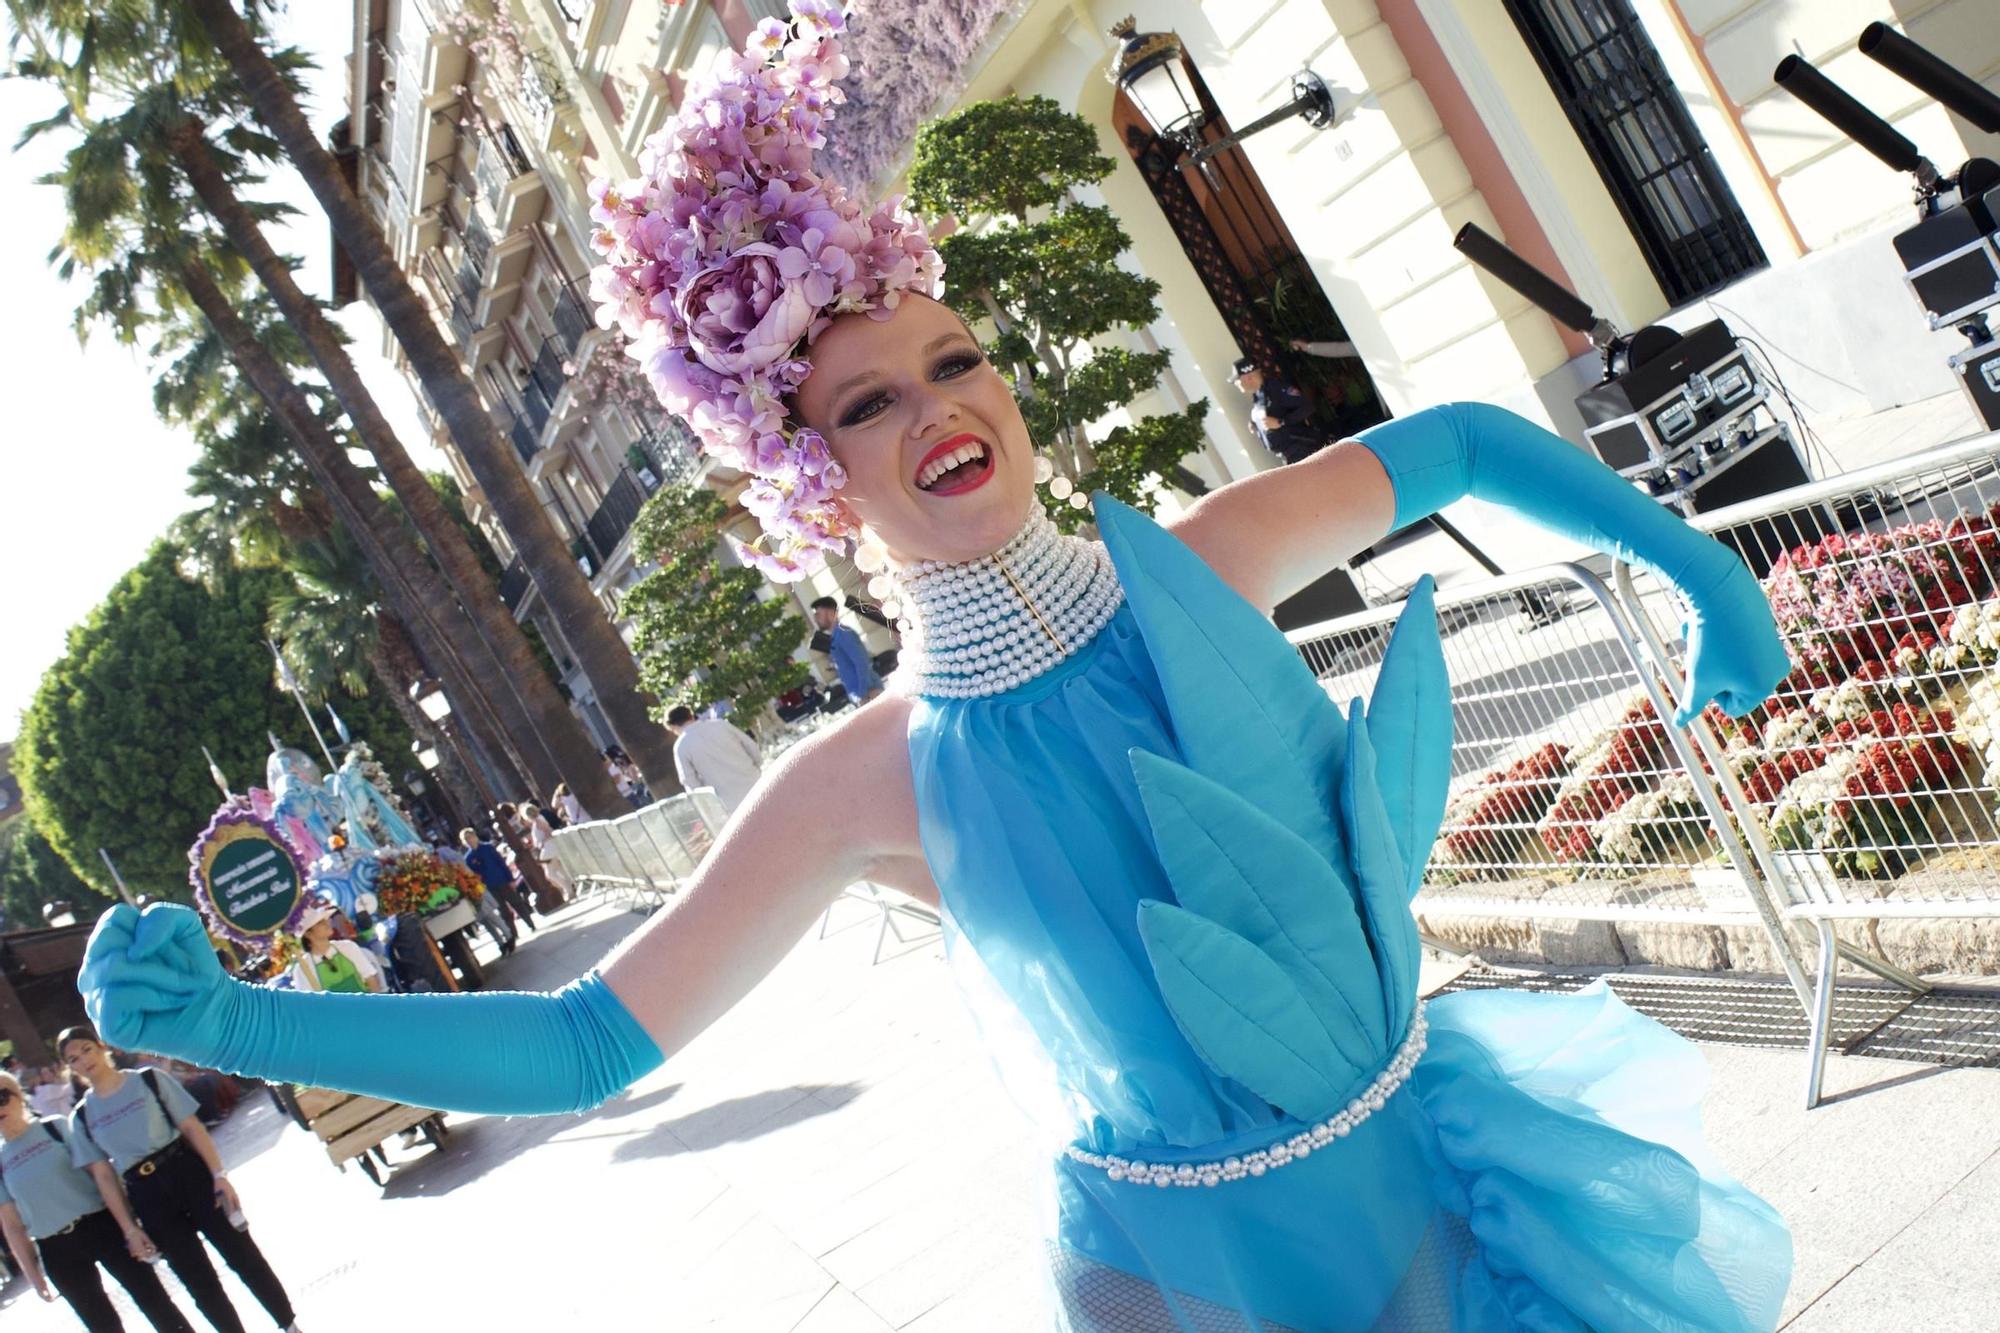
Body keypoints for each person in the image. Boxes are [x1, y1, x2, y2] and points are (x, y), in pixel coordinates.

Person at [78, 11, 1794, 1330]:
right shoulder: (869, 777)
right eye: (867, 404)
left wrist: (1706, 568)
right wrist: (243, 1022)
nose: (937, 408)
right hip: (1181, 1283)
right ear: (813, 477)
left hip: (1431, 1177)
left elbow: (1475, 435)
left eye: (952, 359)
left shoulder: (1205, 560)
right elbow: (595, 1041)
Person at [58, 1029, 302, 1333]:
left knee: (241, 1254)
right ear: (71, 1068)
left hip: (186, 1171)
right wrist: (130, 1229)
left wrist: (219, 1175)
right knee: (199, 1281)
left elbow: (192, 1127)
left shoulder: (147, 1079)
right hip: (146, 1195)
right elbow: (105, 1177)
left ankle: (287, 1322)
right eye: (73, 1058)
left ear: (101, 1047)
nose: (83, 1060)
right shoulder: (81, 1117)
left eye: (86, 1049)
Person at [0, 1067, 193, 1332]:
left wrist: (130, 1226)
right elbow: (11, 1224)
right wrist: (33, 1274)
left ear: (19, 1096)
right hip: (56, 1248)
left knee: (154, 1300)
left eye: (2, 1096)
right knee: (102, 1325)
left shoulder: (56, 1127)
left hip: (101, 1225)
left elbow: (102, 1175)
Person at [663, 706, 764, 816]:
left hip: (729, 801)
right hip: (755, 782)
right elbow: (751, 746)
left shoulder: (681, 747)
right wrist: (756, 767)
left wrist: (706, 806)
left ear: (672, 726)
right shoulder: (721, 725)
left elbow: (690, 781)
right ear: (691, 715)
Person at [1230, 355, 1323, 465]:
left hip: (1302, 450)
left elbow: (1307, 407)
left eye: (1237, 381)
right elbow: (1272, 415)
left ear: (1247, 377)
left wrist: (1282, 422)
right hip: (1289, 456)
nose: (1236, 384)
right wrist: (1257, 425)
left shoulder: (1276, 389)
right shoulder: (1258, 395)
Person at [286, 904, 387, 995]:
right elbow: (309, 1006)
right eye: (320, 922)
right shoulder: (302, 969)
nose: (327, 923)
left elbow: (371, 980)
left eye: (324, 920)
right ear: (308, 934)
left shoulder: (348, 947)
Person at [456, 828, 520, 955]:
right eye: (466, 839)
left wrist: (509, 878)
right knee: (487, 918)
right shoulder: (467, 858)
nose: (469, 840)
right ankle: (502, 942)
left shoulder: (487, 848)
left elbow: (500, 862)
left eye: (470, 837)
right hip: (479, 889)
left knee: (493, 913)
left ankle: (508, 935)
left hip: (489, 884)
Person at [810, 596, 884, 704]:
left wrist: (863, 694)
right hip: (863, 694)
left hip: (870, 693)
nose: (815, 619)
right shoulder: (836, 636)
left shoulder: (844, 633)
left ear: (830, 613)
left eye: (818, 614)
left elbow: (862, 663)